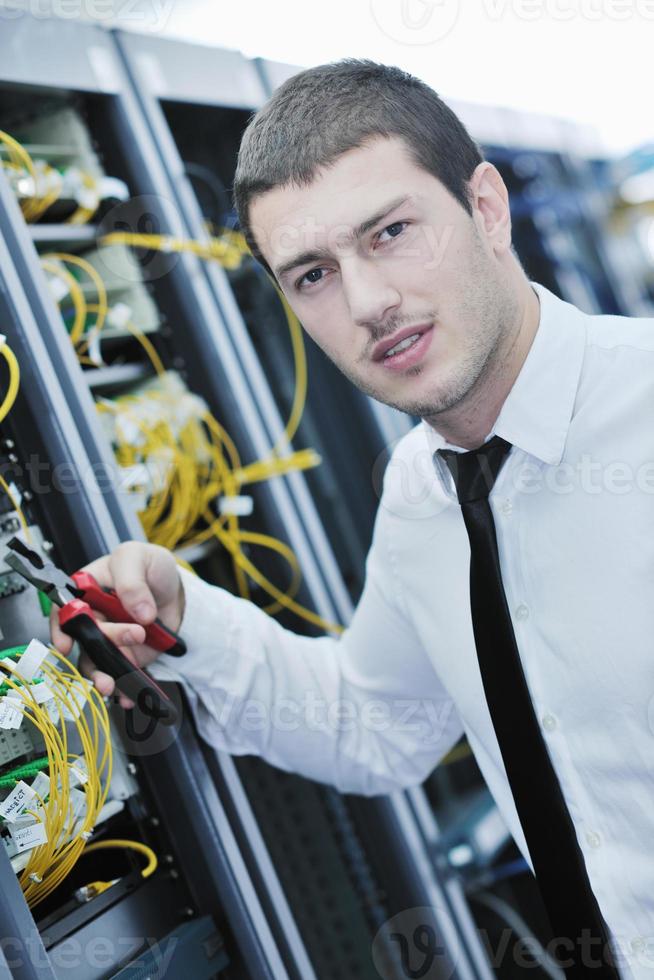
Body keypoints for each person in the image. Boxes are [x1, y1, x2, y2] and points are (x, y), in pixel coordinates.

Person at [50, 61, 654, 977]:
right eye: (314, 275)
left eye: (393, 232)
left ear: (486, 207)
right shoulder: (422, 494)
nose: (368, 303)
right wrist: (186, 615)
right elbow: (376, 724)